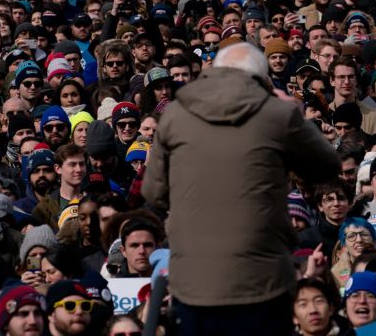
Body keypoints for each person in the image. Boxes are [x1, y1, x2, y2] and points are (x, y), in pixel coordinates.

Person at [142, 42, 340, 334]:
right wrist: (293, 114)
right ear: (262, 80)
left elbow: (153, 192)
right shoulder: (278, 114)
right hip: (263, 282)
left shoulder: (174, 115)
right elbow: (327, 167)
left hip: (194, 283)